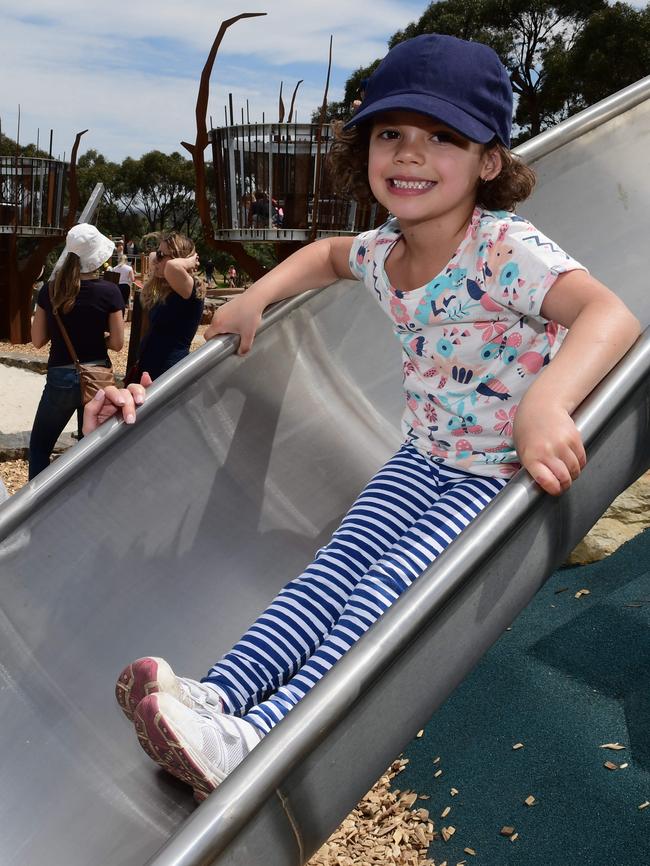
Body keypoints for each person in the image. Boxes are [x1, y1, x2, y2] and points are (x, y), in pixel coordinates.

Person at [114, 34, 640, 801]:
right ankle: (220, 698)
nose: (411, 155)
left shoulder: (501, 247)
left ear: (489, 161)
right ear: (365, 147)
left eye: (442, 138)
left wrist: (548, 403)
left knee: (379, 594)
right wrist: (259, 294)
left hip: (491, 478)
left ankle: (260, 743)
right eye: (391, 133)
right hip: (421, 459)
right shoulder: (382, 250)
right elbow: (327, 256)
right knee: (325, 576)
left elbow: (610, 313)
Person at [29, 223, 124, 479]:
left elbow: (37, 340)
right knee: (89, 447)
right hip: (97, 378)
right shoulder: (110, 292)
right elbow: (117, 343)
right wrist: (98, 340)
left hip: (60, 375)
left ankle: (32, 512)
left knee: (39, 446)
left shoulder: (50, 291)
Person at [128, 231, 204, 382]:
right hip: (150, 365)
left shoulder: (190, 287)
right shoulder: (170, 287)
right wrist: (161, 254)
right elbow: (152, 257)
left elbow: (171, 267)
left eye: (162, 255)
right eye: (158, 253)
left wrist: (190, 261)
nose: (156, 259)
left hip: (168, 370)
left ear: (179, 259)